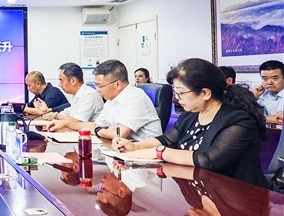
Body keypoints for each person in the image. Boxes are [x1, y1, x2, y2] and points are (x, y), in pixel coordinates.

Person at [113, 58, 267, 187]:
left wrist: (158, 152)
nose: (176, 98)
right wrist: (135, 146)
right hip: (202, 188)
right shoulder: (191, 114)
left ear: (205, 93)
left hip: (238, 199)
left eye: (181, 93)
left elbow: (208, 160)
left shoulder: (239, 122)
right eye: (175, 93)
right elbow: (167, 140)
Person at [49, 59, 162, 141]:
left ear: (117, 84)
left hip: (145, 156)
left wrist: (97, 131)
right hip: (122, 150)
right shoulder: (111, 100)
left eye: (100, 86)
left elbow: (119, 133)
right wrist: (66, 123)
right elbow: (95, 125)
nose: (97, 90)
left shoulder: (136, 97)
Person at [39, 62, 103, 122]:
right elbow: (67, 113)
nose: (59, 85)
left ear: (73, 81)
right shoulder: (77, 95)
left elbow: (77, 122)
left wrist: (56, 116)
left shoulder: (89, 95)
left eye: (61, 81)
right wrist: (49, 112)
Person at [253, 59, 284, 126]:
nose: (269, 82)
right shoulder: (261, 96)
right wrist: (254, 97)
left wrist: (263, 118)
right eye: (265, 79)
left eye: (275, 78)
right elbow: (249, 116)